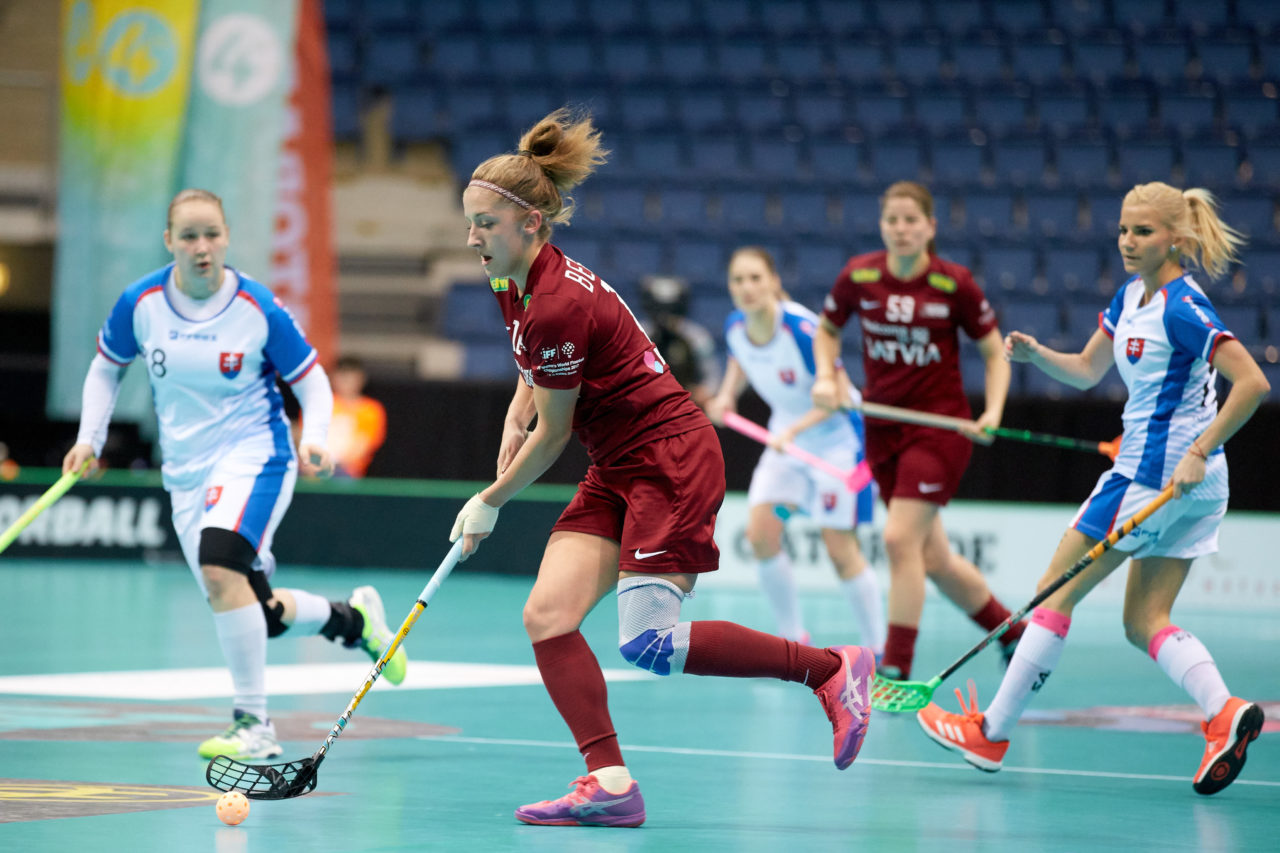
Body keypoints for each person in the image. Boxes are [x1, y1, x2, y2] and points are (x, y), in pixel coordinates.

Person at [450, 109, 875, 829]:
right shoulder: (510, 278)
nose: (472, 238)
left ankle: (830, 667)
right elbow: (537, 380)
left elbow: (554, 437)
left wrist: (490, 499)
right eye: (470, 222)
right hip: (618, 461)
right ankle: (609, 781)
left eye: (485, 224)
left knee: (648, 639)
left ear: (530, 224)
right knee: (548, 616)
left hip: (669, 459)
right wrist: (512, 411)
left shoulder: (556, 302)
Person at [917, 182, 1269, 796]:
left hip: (1155, 478)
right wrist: (1036, 357)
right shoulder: (1131, 295)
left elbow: (1253, 384)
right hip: (1188, 486)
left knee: (1052, 597)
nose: (1128, 242)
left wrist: (1197, 448)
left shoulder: (1183, 308)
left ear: (1176, 239)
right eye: (1124, 230)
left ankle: (991, 733)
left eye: (1143, 232)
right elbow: (1086, 371)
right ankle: (1223, 713)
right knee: (1144, 619)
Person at [61, 189, 408, 762]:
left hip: (255, 455)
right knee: (255, 611)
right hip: (185, 472)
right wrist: (88, 441)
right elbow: (105, 370)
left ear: (226, 237)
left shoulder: (256, 307)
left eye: (212, 234)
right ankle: (353, 621)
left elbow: (312, 380)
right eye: (189, 236)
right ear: (168, 241)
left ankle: (254, 725)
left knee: (221, 569)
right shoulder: (140, 302)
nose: (202, 247)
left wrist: (316, 436)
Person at [811, 180, 1027, 680]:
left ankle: (896, 668)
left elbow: (995, 351)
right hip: (882, 429)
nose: (902, 229)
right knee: (935, 558)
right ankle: (1013, 632)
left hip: (939, 430)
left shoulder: (954, 284)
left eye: (912, 220)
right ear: (882, 225)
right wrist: (827, 375)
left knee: (898, 540)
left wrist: (992, 410)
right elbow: (827, 330)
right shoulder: (859, 275)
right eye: (893, 220)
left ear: (931, 226)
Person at [704, 246, 885, 657]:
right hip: (786, 442)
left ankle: (879, 651)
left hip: (837, 444)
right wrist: (726, 395)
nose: (747, 288)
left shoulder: (803, 331)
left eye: (755, 278)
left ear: (774, 282)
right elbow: (740, 359)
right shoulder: (736, 326)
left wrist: (797, 431)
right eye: (738, 280)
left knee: (841, 551)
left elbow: (837, 395)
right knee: (761, 535)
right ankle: (793, 641)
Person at [639, 274, 721, 409]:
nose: (666, 318)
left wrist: (704, 392)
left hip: (686, 406)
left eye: (672, 311)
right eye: (659, 310)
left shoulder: (697, 338)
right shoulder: (637, 335)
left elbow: (712, 377)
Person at [329, 354, 387, 478]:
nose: (346, 381)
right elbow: (307, 440)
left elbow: (361, 448)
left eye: (350, 377)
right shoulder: (320, 404)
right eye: (342, 376)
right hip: (311, 470)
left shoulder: (370, 410)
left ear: (361, 379)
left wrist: (328, 466)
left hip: (345, 473)